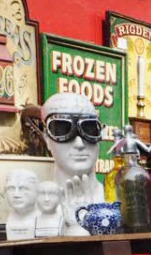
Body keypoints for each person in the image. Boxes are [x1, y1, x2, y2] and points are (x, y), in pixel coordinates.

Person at [39, 92, 104, 237]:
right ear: (47, 138)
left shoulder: (116, 201)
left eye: (89, 129)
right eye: (62, 129)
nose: (79, 144)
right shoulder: (33, 207)